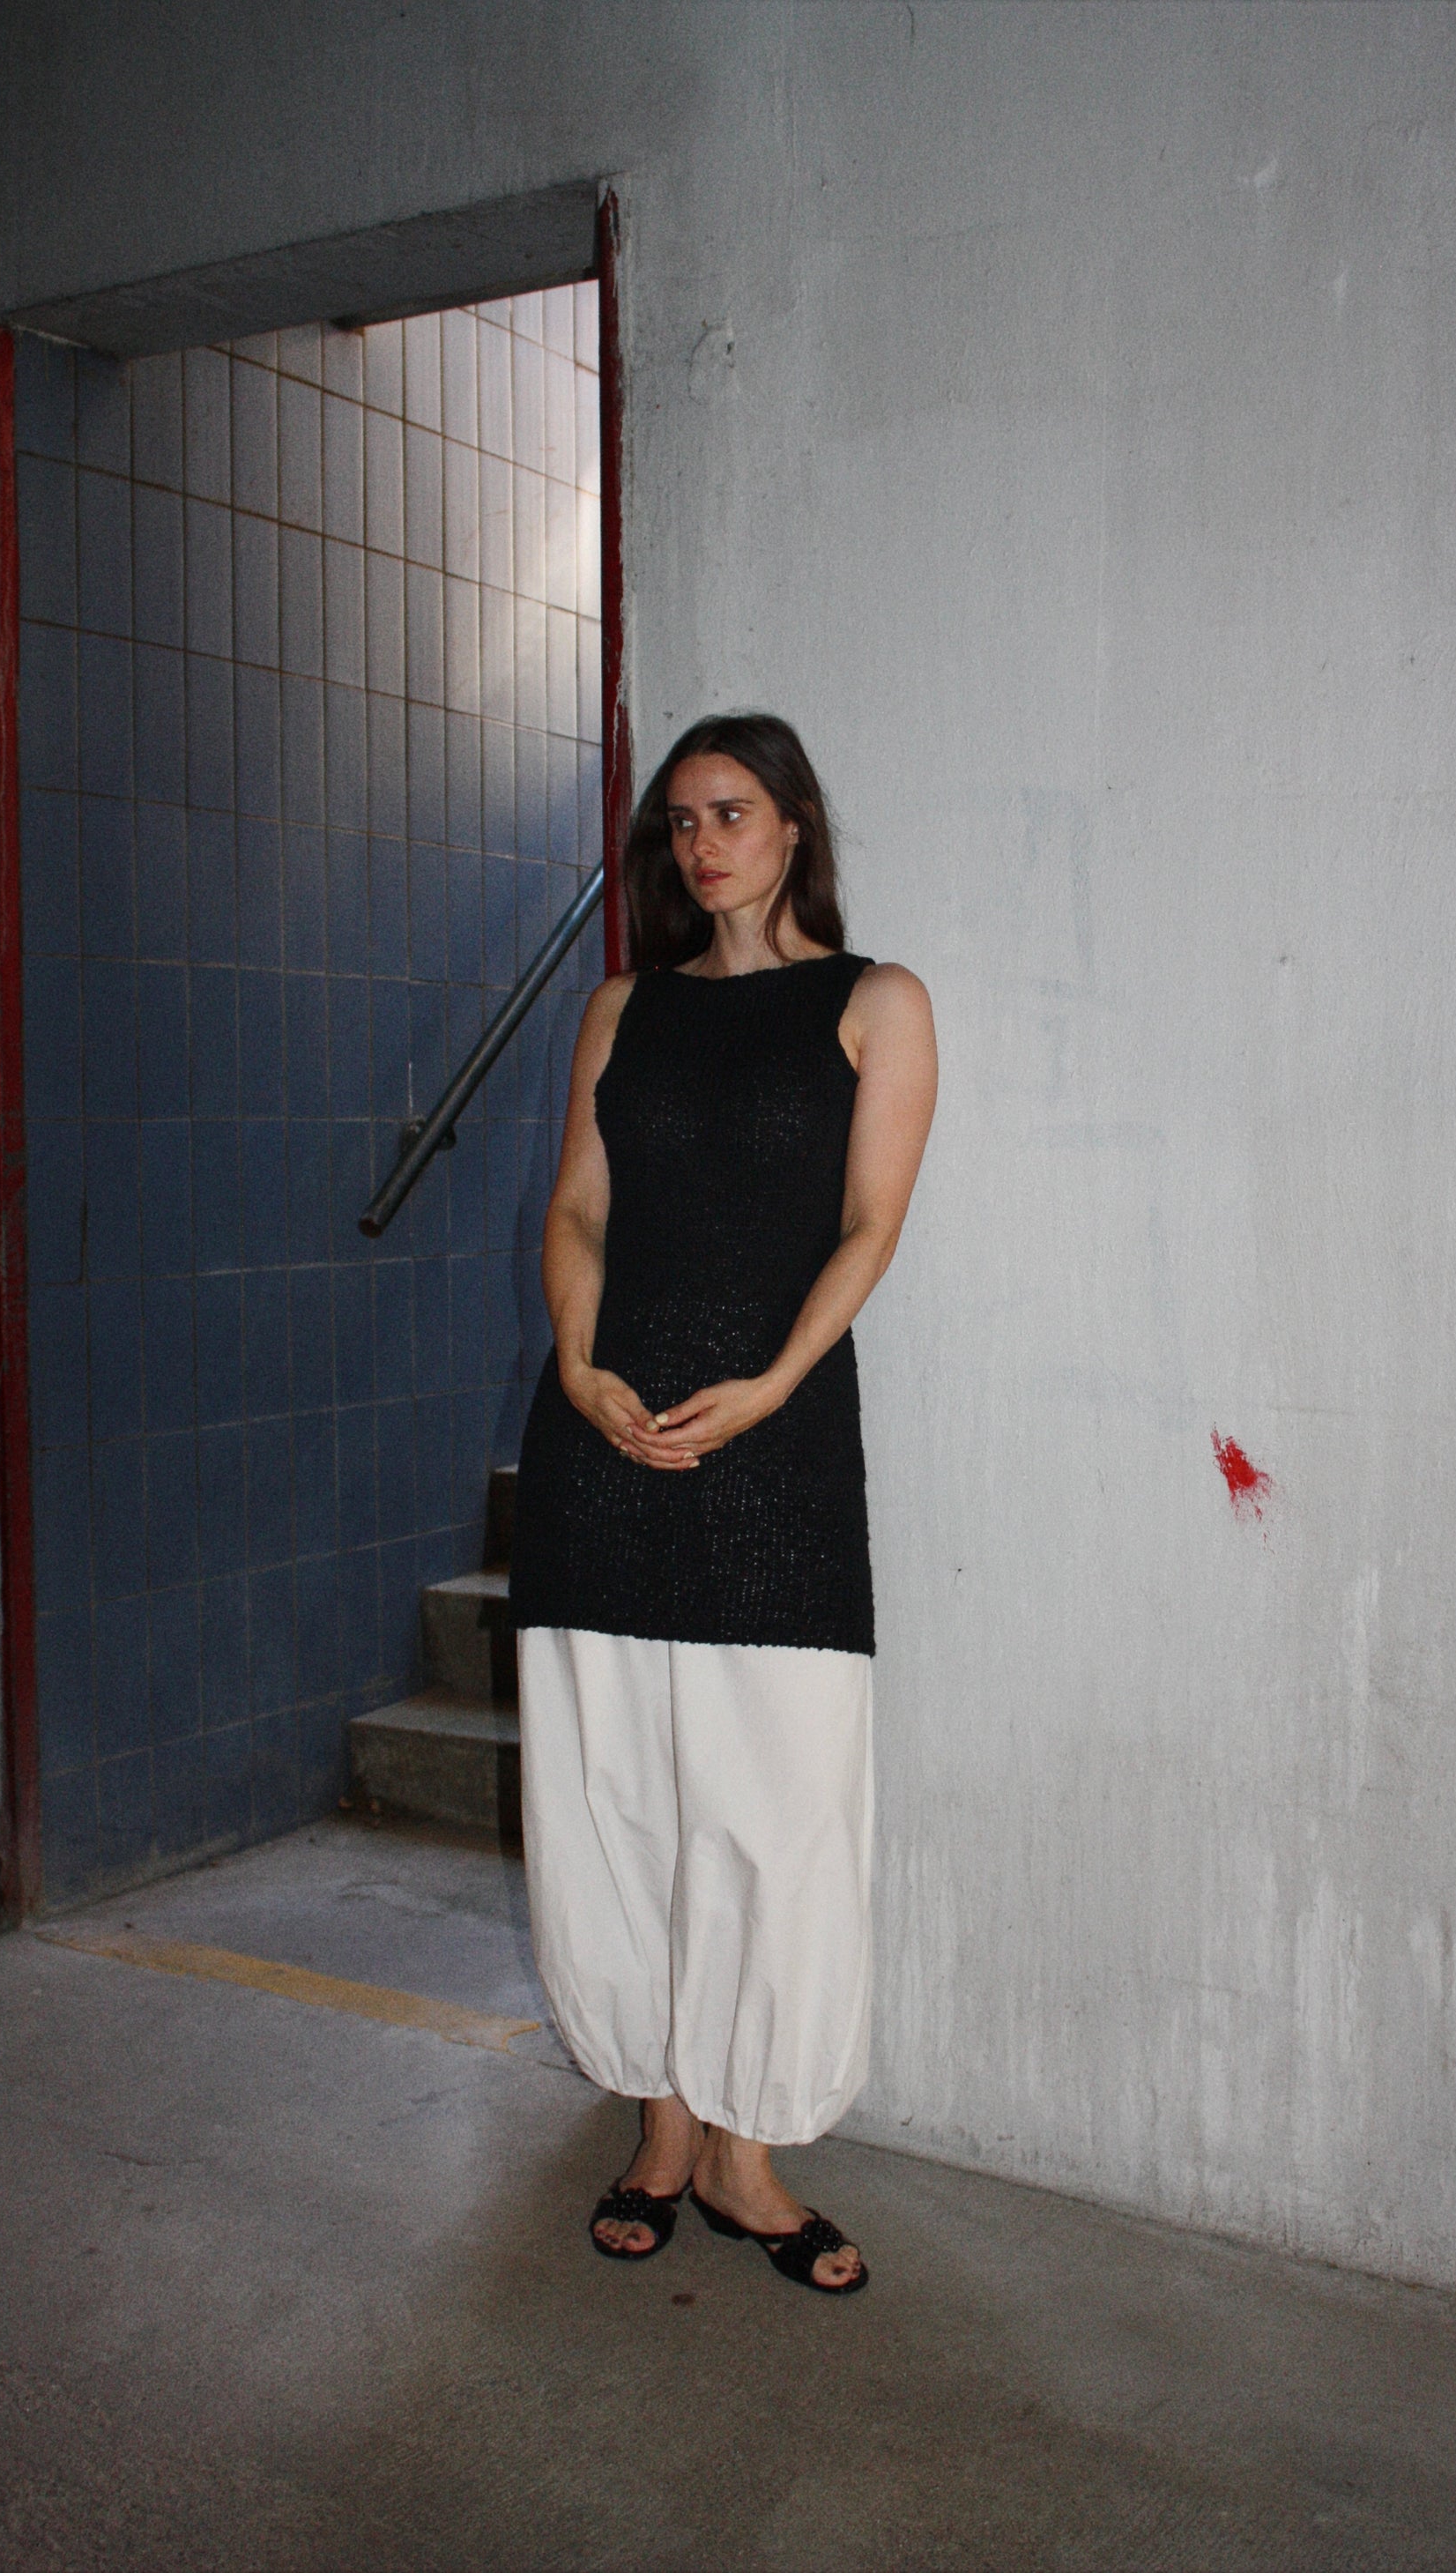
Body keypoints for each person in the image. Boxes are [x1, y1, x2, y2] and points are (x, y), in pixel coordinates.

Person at [509, 712, 938, 2294]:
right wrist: (576, 1363)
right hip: (603, 1447)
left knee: (777, 1808)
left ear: (793, 823)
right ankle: (663, 2127)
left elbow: (871, 1225)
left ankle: (748, 2157)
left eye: (731, 813)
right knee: (619, 1800)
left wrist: (769, 1386)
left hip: (776, 1448)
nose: (702, 845)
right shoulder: (622, 1007)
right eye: (681, 821)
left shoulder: (876, 1003)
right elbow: (577, 1207)